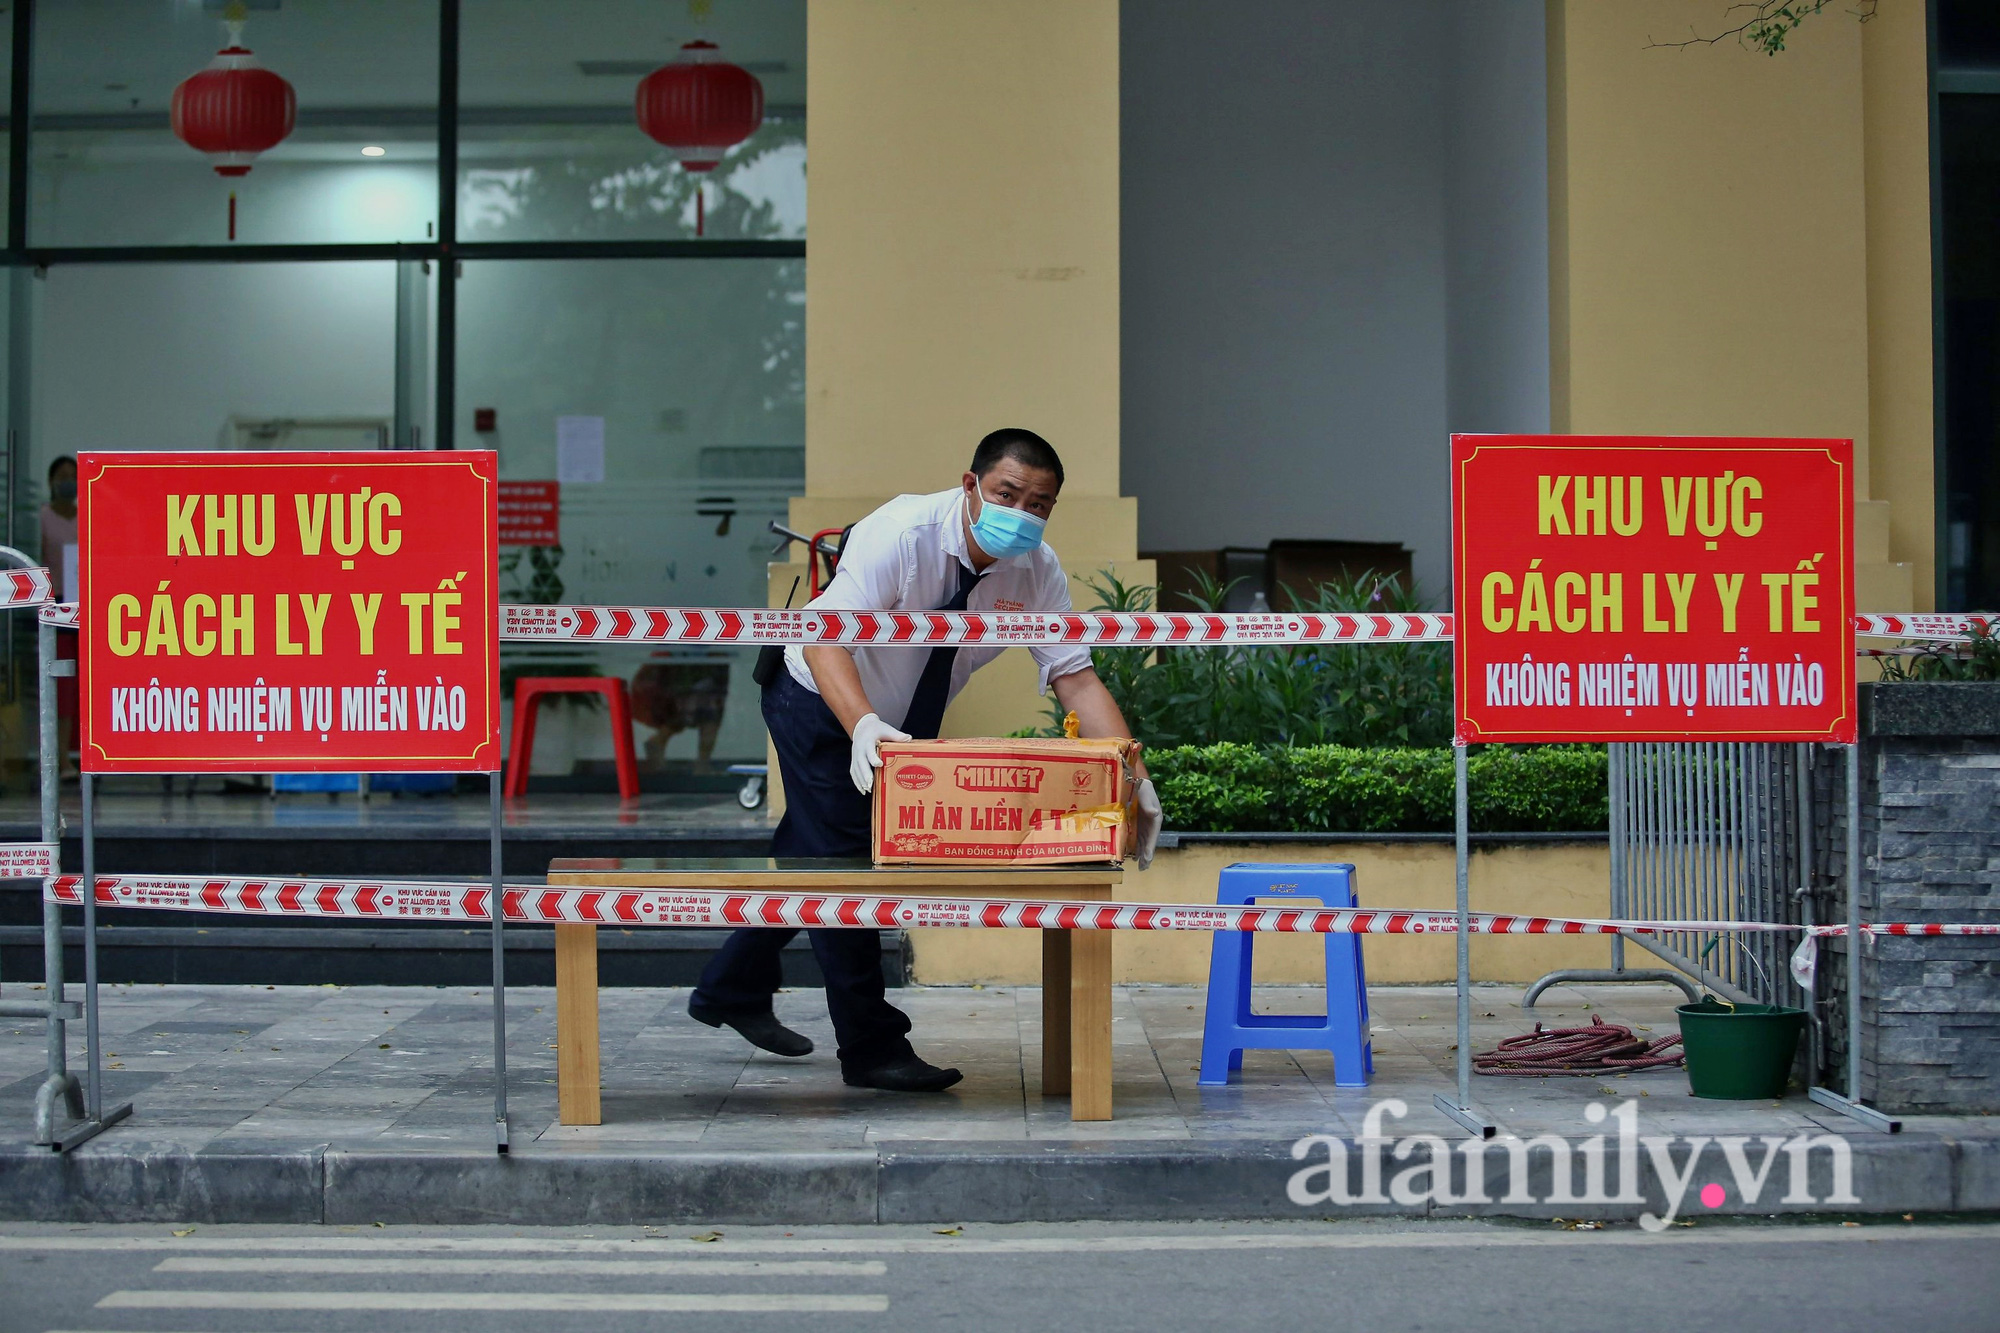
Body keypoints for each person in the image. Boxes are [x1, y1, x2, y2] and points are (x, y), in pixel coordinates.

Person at [689, 428, 1164, 1092]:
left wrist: (1132, 777)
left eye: (1040, 504)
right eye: (1008, 494)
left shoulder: (1038, 571)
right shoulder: (903, 532)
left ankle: (730, 986)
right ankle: (871, 1045)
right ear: (970, 485)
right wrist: (861, 728)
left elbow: (1076, 678)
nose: (1022, 514)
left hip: (902, 717)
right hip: (818, 696)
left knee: (817, 849)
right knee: (846, 860)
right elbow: (827, 639)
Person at [38, 456, 79, 779]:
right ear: (51, 481)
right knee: (61, 685)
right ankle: (61, 759)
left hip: (86, 602)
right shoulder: (43, 518)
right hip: (55, 602)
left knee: (85, 683)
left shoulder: (87, 517)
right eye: (62, 476)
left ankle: (87, 757)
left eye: (73, 476)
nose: (68, 481)